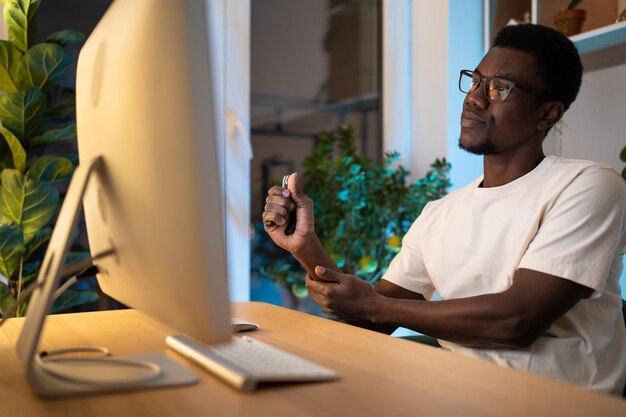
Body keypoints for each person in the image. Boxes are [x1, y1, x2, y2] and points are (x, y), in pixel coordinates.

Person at [262, 24, 626, 395]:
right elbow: (371, 321)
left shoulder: (588, 184)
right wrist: (306, 247)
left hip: (559, 406)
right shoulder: (439, 213)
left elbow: (516, 321)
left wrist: (374, 306)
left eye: (500, 88)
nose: (474, 99)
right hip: (454, 395)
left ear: (547, 113)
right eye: (475, 81)